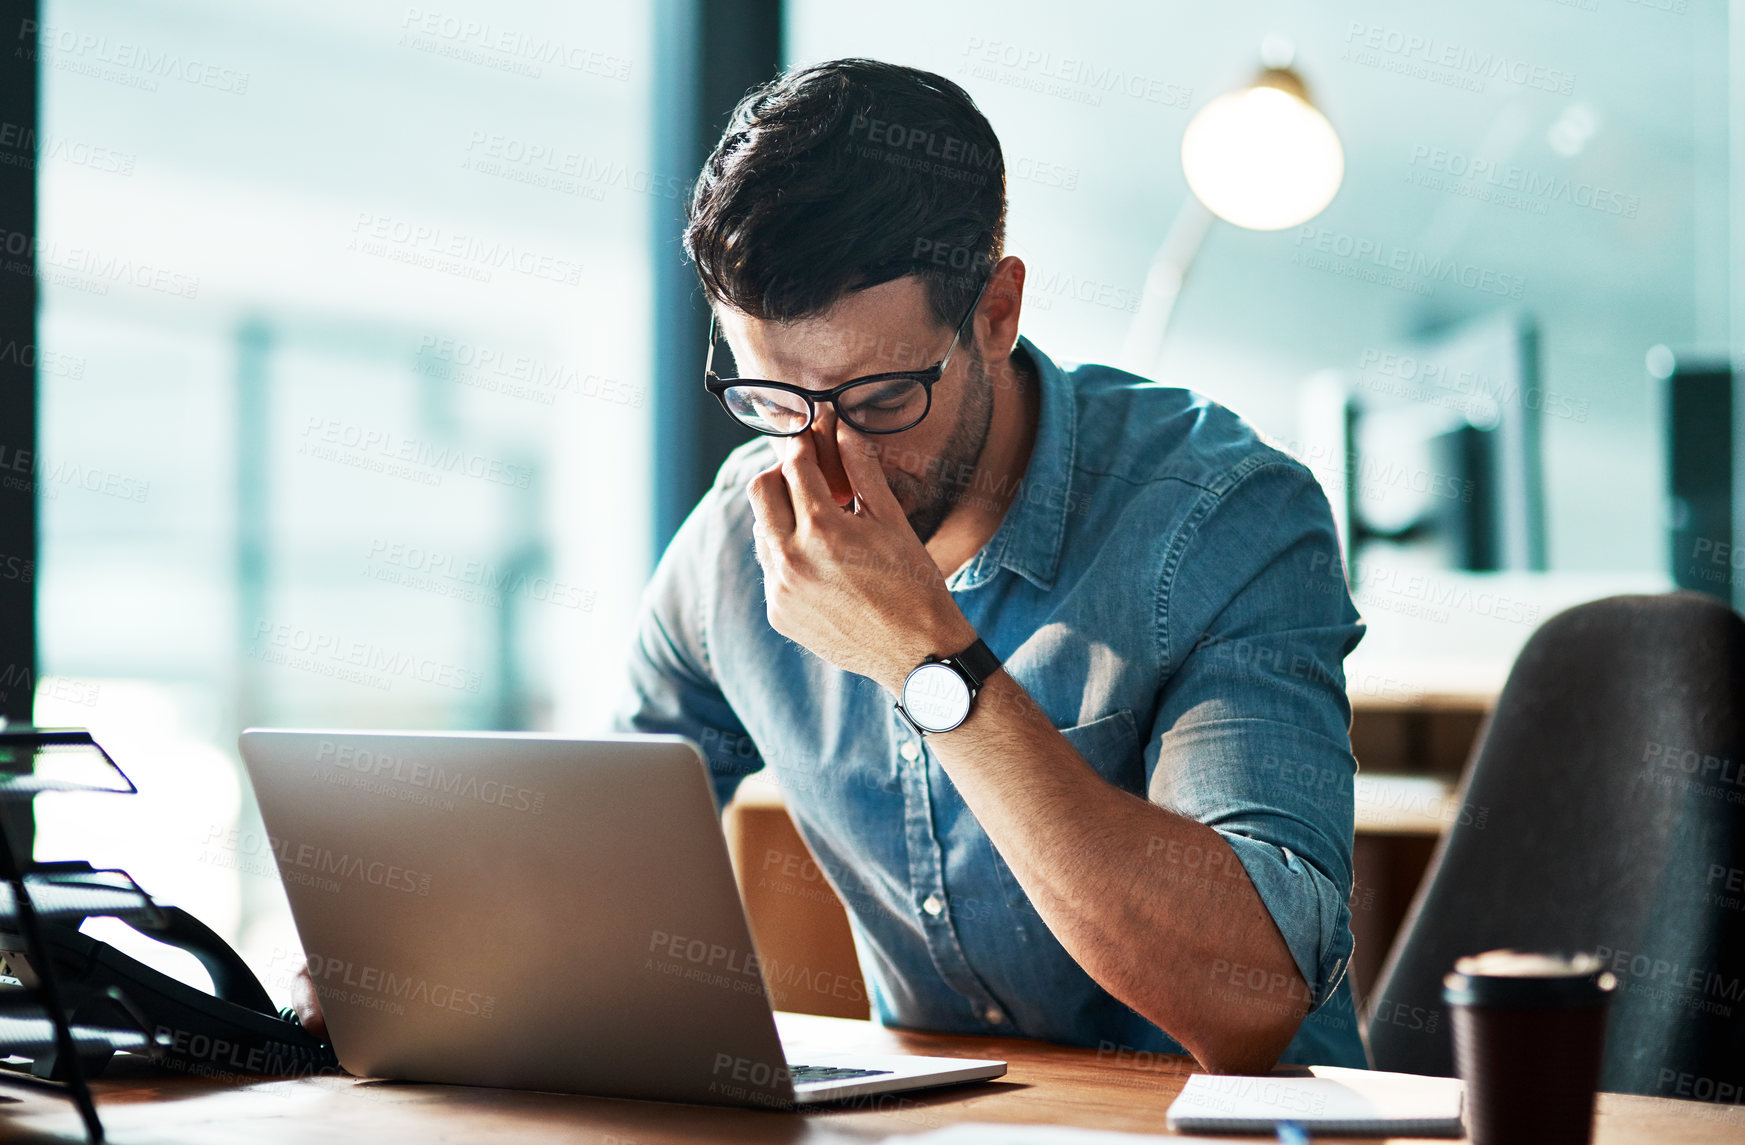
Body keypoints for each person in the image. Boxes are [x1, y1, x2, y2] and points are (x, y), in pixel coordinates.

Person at [612, 58, 1366, 1073]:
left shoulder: (1221, 516)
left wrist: (930, 662)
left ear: (996, 311)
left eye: (880, 400)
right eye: (773, 402)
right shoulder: (733, 552)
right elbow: (594, 862)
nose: (823, 460)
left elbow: (1249, 997)